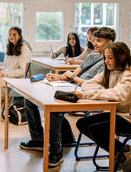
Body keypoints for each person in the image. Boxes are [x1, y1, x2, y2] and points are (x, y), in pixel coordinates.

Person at [20, 27, 116, 168]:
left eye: (99, 41)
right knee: (29, 99)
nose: (95, 43)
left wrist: (73, 78)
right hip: (73, 87)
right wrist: (58, 76)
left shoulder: (108, 62)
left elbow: (94, 84)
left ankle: (56, 152)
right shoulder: (91, 56)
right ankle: (38, 139)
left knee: (52, 108)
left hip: (87, 94)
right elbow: (74, 72)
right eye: (95, 40)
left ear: (110, 42)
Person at [73, 42, 131, 172]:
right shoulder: (110, 70)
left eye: (110, 58)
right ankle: (123, 151)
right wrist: (102, 89)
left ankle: (120, 155)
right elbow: (86, 84)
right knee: (82, 123)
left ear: (122, 57)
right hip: (118, 113)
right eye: (105, 57)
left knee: (96, 129)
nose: (106, 61)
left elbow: (118, 95)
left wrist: (88, 94)